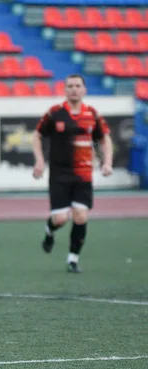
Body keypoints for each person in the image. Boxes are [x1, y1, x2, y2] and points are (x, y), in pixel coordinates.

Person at [32, 74, 113, 273]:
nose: (74, 89)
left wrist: (107, 162)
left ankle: (72, 259)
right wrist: (40, 161)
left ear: (84, 89)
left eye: (77, 86)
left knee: (81, 216)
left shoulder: (92, 114)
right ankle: (49, 230)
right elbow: (37, 135)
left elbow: (105, 139)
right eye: (70, 86)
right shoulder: (55, 113)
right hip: (59, 175)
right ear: (65, 89)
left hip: (83, 175)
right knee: (60, 219)